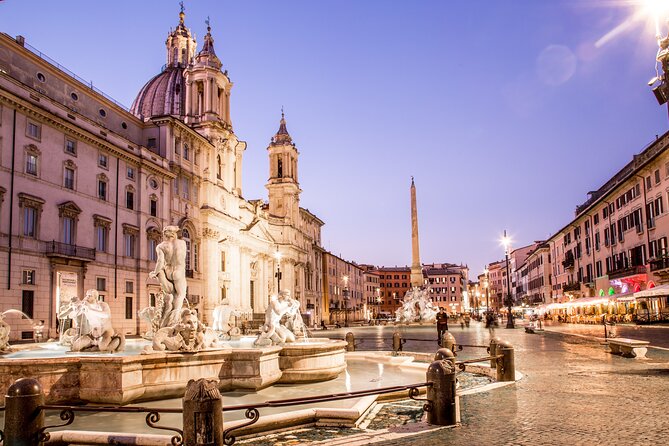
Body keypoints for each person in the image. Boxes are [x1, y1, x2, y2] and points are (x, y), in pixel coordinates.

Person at [149, 226, 188, 326]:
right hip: (179, 272)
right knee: (180, 295)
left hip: (168, 272)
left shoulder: (161, 246)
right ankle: (174, 319)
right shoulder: (182, 243)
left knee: (172, 293)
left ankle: (166, 317)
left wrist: (155, 272)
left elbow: (160, 261)